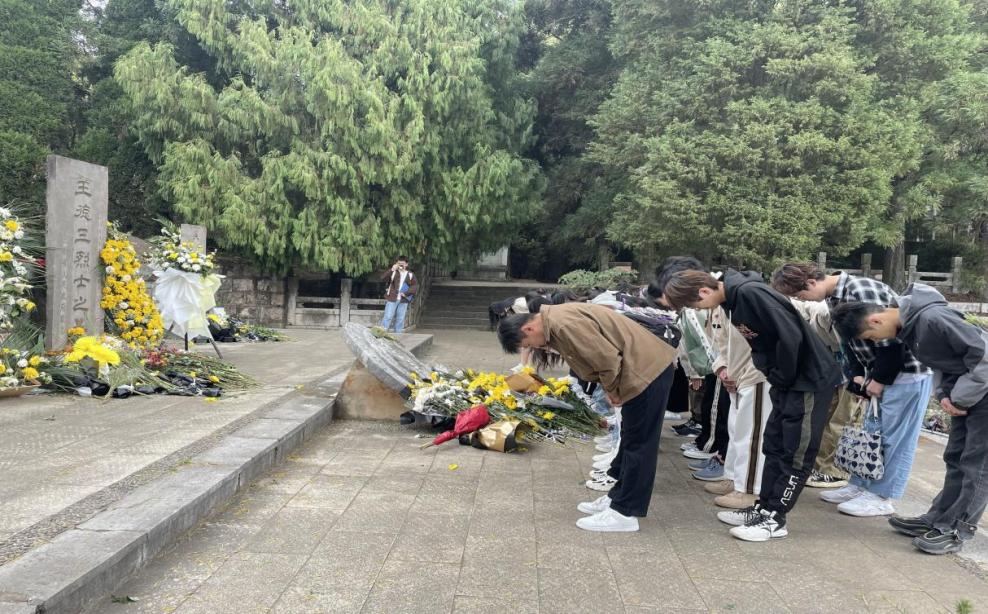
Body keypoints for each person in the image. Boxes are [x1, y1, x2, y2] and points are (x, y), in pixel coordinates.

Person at [664, 269, 841, 542]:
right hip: (786, 382)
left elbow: (789, 337)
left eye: (695, 304)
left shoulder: (750, 294)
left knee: (795, 451)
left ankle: (775, 518)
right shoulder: (734, 299)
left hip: (807, 381)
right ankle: (763, 507)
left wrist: (780, 376)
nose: (698, 310)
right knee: (773, 446)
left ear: (704, 291)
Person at [831, 284, 988, 555]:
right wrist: (944, 394)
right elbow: (940, 364)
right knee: (955, 457)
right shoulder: (912, 327)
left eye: (871, 337)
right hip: (968, 394)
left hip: (979, 392)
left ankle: (958, 530)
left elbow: (984, 356)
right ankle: (938, 519)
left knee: (977, 465)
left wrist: (960, 397)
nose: (875, 341)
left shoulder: (933, 318)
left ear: (875, 320)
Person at [497, 302, 677, 532]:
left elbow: (606, 359)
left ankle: (625, 512)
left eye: (528, 344)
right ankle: (617, 497)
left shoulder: (564, 325)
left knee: (639, 443)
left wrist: (612, 390)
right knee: (630, 440)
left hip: (646, 371)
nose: (534, 348)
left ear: (529, 329)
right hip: (642, 368)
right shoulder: (556, 320)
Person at [773, 263, 932, 517]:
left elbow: (891, 336)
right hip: (875, 372)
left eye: (800, 295)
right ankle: (860, 485)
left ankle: (882, 496)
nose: (802, 300)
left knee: (896, 439)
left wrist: (879, 378)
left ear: (811, 283)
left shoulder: (861, 289)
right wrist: (856, 374)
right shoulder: (834, 297)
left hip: (905, 372)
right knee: (872, 433)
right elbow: (849, 340)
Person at [380, 256, 417, 333]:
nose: (400, 266)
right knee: (388, 316)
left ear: (406, 264)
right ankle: (382, 333)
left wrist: (406, 293)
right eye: (399, 264)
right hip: (392, 298)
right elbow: (382, 278)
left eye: (402, 264)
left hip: (404, 299)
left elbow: (414, 286)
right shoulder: (394, 272)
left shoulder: (410, 274)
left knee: (400, 319)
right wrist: (392, 269)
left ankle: (398, 335)